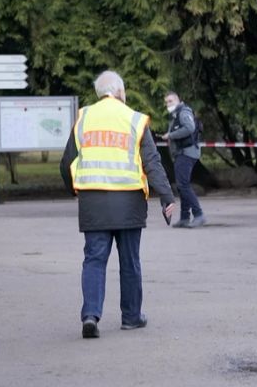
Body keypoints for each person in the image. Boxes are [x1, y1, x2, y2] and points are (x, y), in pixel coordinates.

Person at [60, 70, 176, 339]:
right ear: (121, 92)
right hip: (129, 203)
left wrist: (75, 190)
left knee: (94, 260)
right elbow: (152, 162)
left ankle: (90, 315)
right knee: (130, 261)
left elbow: (66, 162)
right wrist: (167, 198)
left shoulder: (84, 117)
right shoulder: (134, 119)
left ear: (99, 93)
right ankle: (131, 317)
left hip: (93, 202)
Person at [161, 91, 205, 228]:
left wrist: (171, 135)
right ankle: (184, 217)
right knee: (182, 186)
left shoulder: (183, 112)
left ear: (177, 100)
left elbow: (190, 128)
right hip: (182, 153)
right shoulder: (176, 114)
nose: (168, 104)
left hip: (186, 153)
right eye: (166, 102)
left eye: (170, 101)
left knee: (183, 185)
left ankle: (199, 215)